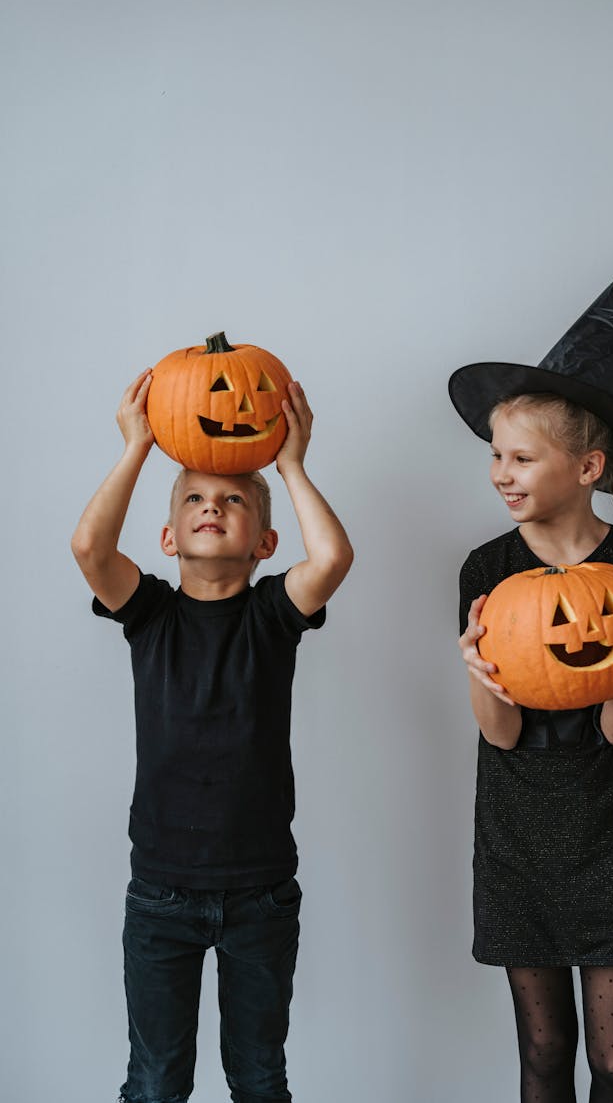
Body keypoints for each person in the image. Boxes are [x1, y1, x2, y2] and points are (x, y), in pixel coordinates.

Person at [71, 368, 353, 1103]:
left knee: (258, 1077)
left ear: (263, 540)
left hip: (260, 890)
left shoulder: (272, 614)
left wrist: (289, 462)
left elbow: (330, 560)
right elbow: (89, 550)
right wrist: (137, 448)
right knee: (157, 1079)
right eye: (193, 498)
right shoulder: (150, 613)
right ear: (167, 536)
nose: (211, 507)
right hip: (160, 890)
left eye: (232, 500)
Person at [449, 248, 613, 1102]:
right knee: (546, 1050)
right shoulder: (486, 567)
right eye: (496, 455)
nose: (499, 474)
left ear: (586, 469)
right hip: (517, 822)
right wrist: (475, 667)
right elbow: (502, 727)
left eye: (518, 458)